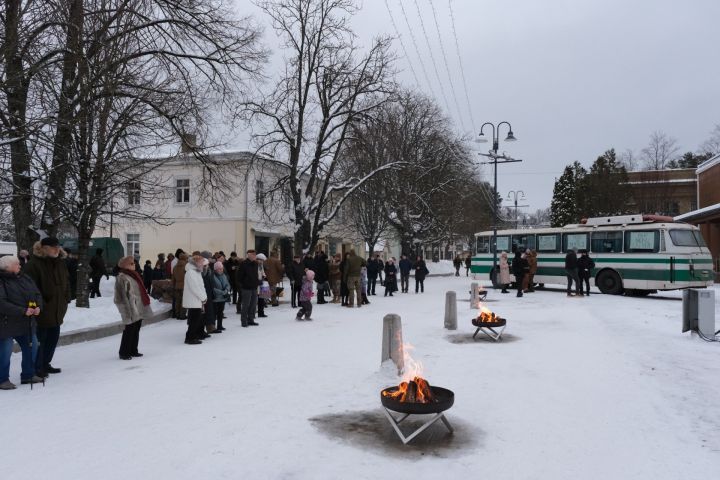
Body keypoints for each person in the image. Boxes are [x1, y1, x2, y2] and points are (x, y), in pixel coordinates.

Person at [23, 237, 69, 377]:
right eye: (52, 247)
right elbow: (29, 288)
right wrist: (38, 305)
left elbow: (66, 281)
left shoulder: (60, 263)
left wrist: (67, 298)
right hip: (42, 310)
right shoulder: (33, 264)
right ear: (43, 248)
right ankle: (37, 367)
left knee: (53, 339)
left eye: (57, 246)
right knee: (41, 340)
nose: (56, 249)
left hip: (58, 308)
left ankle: (45, 363)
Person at [0, 255, 43, 389]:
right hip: (6, 323)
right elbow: (1, 303)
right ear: (7, 267)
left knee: (32, 346)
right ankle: (2, 379)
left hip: (26, 322)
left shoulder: (24, 277)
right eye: (17, 264)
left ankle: (28, 374)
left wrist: (38, 307)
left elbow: (37, 294)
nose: (20, 265)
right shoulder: (1, 281)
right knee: (5, 351)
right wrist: (22, 310)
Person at [114, 256, 152, 360]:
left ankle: (133, 350)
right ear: (125, 266)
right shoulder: (122, 277)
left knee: (136, 329)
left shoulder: (135, 275)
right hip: (129, 309)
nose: (134, 265)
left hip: (138, 307)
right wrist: (126, 311)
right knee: (129, 330)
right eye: (131, 264)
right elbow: (120, 297)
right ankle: (124, 352)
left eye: (134, 263)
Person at [183, 255, 207, 344]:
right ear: (196, 262)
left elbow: (201, 286)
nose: (202, 264)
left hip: (197, 299)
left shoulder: (196, 271)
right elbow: (194, 287)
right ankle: (190, 338)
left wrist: (204, 297)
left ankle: (194, 335)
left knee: (197, 319)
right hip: (193, 300)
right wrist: (203, 297)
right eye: (201, 262)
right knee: (194, 320)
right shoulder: (190, 272)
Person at [237, 250, 260, 327]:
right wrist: (242, 285)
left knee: (253, 305)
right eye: (253, 254)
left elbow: (256, 275)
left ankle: (251, 319)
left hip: (254, 287)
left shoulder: (256, 264)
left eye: (255, 254)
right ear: (248, 255)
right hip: (246, 288)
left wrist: (257, 282)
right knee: (245, 305)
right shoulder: (243, 264)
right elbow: (239, 276)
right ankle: (244, 321)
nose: (254, 256)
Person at [200, 257, 217, 334]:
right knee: (203, 313)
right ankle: (202, 329)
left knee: (210, 312)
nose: (207, 266)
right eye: (205, 265)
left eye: (207, 265)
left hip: (209, 294)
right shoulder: (200, 274)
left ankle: (211, 327)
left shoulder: (210, 272)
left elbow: (212, 283)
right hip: (203, 295)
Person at [212, 262, 231, 331]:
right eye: (219, 269)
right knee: (214, 313)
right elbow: (213, 288)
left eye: (222, 268)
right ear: (215, 269)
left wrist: (226, 290)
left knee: (220, 313)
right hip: (216, 298)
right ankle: (213, 327)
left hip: (223, 298)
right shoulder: (212, 276)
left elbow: (228, 284)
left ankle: (220, 325)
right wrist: (222, 292)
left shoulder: (224, 275)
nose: (221, 270)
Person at [171, 253, 188, 319]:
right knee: (184, 301)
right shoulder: (186, 266)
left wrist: (173, 285)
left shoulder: (175, 267)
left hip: (177, 286)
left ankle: (177, 314)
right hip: (184, 286)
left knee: (178, 301)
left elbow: (173, 278)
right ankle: (182, 315)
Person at [256, 253, 268, 318]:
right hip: (256, 284)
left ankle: (261, 312)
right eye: (261, 260)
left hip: (261, 284)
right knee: (255, 299)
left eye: (263, 260)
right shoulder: (255, 265)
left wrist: (264, 276)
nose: (262, 262)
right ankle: (253, 312)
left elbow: (262, 272)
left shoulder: (261, 265)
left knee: (262, 298)